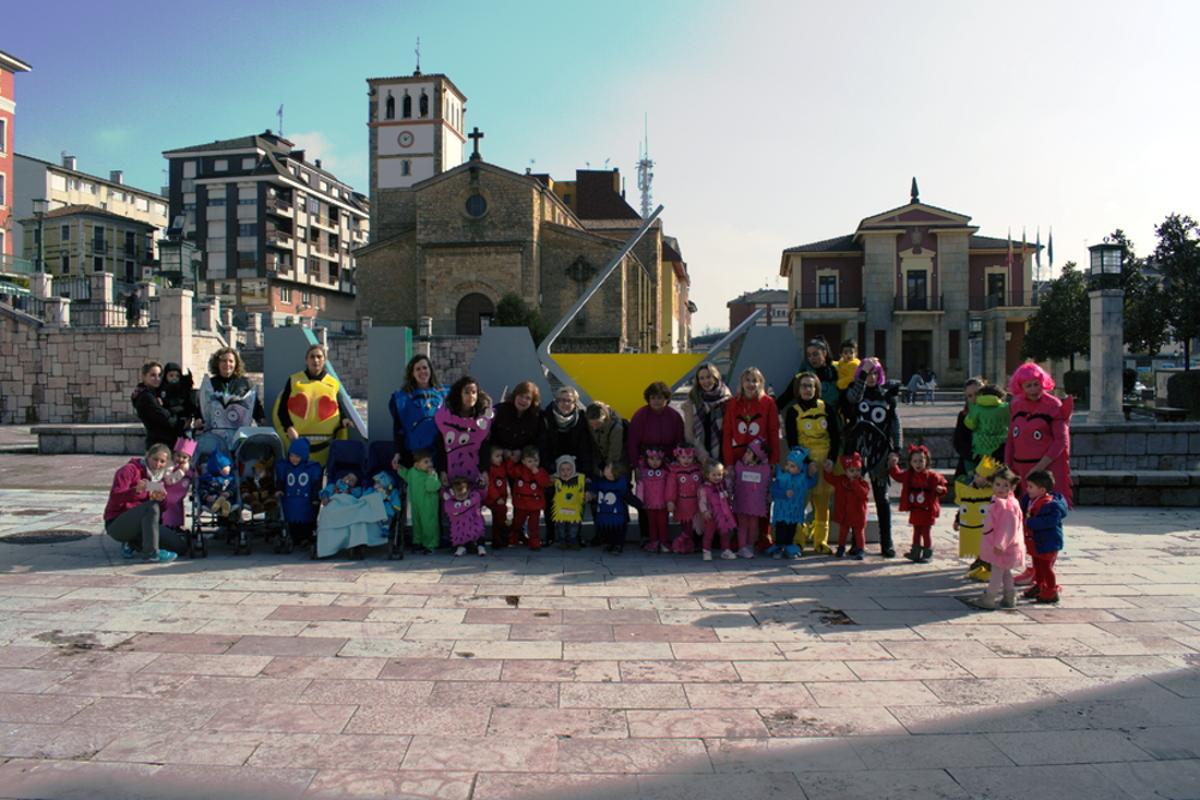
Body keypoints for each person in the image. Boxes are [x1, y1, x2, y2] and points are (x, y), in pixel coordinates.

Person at [842, 357, 901, 557]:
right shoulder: (855, 391)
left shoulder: (887, 396)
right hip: (858, 450)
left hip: (879, 451)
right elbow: (853, 399)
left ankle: (887, 542)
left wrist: (896, 450)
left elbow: (895, 424)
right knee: (855, 497)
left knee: (882, 497)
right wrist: (862, 375)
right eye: (869, 373)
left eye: (875, 373)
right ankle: (856, 542)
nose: (872, 377)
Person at [723, 367, 780, 551]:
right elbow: (727, 433)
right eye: (747, 380)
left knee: (761, 499)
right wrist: (729, 462)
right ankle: (739, 538)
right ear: (741, 382)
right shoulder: (733, 403)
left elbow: (773, 432)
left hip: (760, 461)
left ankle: (762, 535)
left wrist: (773, 460)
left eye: (755, 381)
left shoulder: (768, 403)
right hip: (739, 459)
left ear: (760, 383)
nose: (751, 384)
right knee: (739, 499)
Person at [784, 371, 839, 555]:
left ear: (816, 388)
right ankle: (798, 541)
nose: (807, 389)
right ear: (798, 389)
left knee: (823, 504)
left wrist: (831, 459)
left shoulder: (826, 408)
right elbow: (792, 441)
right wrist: (806, 462)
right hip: (802, 465)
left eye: (810, 386)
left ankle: (820, 541)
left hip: (825, 463)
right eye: (803, 386)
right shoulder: (793, 412)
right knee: (799, 503)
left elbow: (836, 436)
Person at [273, 344, 354, 467]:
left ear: (324, 360)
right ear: (306, 360)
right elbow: (282, 408)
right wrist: (289, 427)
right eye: (312, 357)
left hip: (326, 446)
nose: (315, 360)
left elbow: (336, 407)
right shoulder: (294, 380)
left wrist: (344, 419)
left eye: (319, 357)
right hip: (298, 445)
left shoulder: (333, 383)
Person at [1005, 362, 1074, 507]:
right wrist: (1008, 466)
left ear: (1043, 383)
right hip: (1020, 469)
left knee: (1046, 509)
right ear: (1021, 387)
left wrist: (1040, 467)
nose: (1033, 389)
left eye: (1036, 384)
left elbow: (1061, 441)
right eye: (1028, 386)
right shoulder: (1016, 404)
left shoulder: (1053, 405)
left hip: (1045, 470)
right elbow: (1011, 439)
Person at [104, 443, 185, 562]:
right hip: (117, 522)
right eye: (155, 459)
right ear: (148, 456)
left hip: (143, 525)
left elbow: (161, 510)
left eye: (162, 461)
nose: (158, 464)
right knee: (151, 507)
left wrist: (162, 499)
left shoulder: (159, 478)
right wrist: (135, 491)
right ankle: (151, 553)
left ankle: (134, 543)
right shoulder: (129, 470)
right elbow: (115, 497)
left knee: (180, 547)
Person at [968, 466, 1025, 610]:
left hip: (1002, 547)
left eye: (1006, 485)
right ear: (992, 484)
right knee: (1005, 571)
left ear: (1012, 487)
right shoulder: (1001, 502)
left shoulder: (1007, 507)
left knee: (996, 573)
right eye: (998, 484)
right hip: (1004, 545)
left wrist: (1001, 544)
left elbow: (1007, 528)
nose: (1001, 488)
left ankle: (989, 597)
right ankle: (1009, 596)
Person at [890, 444, 948, 563]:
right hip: (915, 509)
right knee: (916, 531)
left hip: (927, 510)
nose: (918, 464)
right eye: (915, 461)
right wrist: (893, 465)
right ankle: (915, 552)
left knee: (926, 532)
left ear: (926, 461)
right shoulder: (909, 475)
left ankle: (927, 553)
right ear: (910, 462)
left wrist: (941, 490)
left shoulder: (932, 476)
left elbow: (943, 486)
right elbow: (897, 476)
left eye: (921, 461)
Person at [199, 347, 264, 453]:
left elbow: (255, 405)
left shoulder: (245, 383)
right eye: (223, 361)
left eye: (231, 361)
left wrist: (261, 420)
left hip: (239, 435)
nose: (227, 364)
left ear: (236, 364)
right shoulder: (210, 384)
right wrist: (198, 419)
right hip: (215, 435)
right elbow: (202, 405)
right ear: (217, 363)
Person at [389, 355, 448, 470]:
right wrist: (397, 452)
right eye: (418, 369)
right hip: (414, 455)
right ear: (412, 373)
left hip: (438, 453)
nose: (422, 371)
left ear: (430, 370)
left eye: (425, 368)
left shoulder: (444, 394)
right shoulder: (402, 398)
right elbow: (398, 428)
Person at [435, 375, 493, 486]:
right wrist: (442, 470)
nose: (471, 396)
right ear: (459, 394)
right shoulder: (447, 417)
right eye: (467, 392)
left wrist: (484, 470)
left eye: (474, 392)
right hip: (451, 472)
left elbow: (484, 447)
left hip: (474, 472)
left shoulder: (482, 420)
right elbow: (441, 446)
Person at [1022, 470, 1067, 604]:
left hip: (1048, 542)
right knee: (1037, 564)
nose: (1027, 489)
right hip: (1037, 541)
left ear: (1042, 490)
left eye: (1031, 487)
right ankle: (1040, 585)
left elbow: (1048, 522)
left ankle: (1051, 590)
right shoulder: (1033, 500)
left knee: (1046, 567)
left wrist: (1029, 522)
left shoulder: (1051, 505)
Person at [767, 445, 819, 559]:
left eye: (792, 466)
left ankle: (788, 546)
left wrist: (813, 474)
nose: (788, 468)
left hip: (794, 512)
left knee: (791, 530)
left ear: (800, 468)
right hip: (782, 511)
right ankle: (779, 546)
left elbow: (812, 483)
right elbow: (774, 490)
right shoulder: (782, 476)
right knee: (781, 529)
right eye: (787, 464)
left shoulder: (803, 479)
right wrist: (784, 493)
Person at [954, 455, 1000, 582]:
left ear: (989, 481)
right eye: (976, 475)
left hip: (989, 527)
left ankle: (988, 566)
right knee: (977, 543)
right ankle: (980, 561)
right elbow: (965, 506)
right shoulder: (969, 489)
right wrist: (958, 520)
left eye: (980, 476)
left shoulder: (994, 493)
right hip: (974, 525)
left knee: (988, 546)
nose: (976, 478)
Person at [275, 437, 323, 553]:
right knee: (291, 521)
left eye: (297, 456)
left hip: (306, 501)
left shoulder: (311, 468)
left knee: (307, 521)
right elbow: (281, 480)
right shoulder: (286, 467)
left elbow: (315, 484)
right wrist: (279, 490)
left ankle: (306, 538)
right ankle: (293, 538)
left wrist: (315, 497)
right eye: (291, 456)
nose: (294, 459)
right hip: (290, 501)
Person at [681, 362, 732, 466]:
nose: (705, 381)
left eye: (708, 377)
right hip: (700, 455)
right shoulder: (692, 400)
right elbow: (689, 435)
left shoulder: (727, 398)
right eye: (701, 378)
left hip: (723, 452)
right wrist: (703, 454)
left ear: (715, 377)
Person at [823, 452, 871, 560]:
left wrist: (855, 483)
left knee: (859, 533)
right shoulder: (841, 481)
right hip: (845, 514)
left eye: (858, 470)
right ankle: (841, 547)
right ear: (846, 471)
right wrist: (827, 471)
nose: (855, 473)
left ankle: (861, 549)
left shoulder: (863, 483)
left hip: (858, 514)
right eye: (852, 471)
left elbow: (863, 494)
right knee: (843, 532)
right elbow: (830, 479)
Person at [627, 382, 686, 468]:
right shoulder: (640, 416)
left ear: (666, 398)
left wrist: (677, 463)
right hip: (646, 462)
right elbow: (633, 443)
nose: (656, 401)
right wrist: (636, 465)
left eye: (659, 398)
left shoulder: (674, 416)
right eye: (653, 398)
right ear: (648, 399)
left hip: (669, 461)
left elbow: (679, 441)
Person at [777, 337, 839, 412]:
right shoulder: (804, 374)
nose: (812, 358)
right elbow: (786, 396)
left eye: (815, 354)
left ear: (824, 353)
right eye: (809, 355)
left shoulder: (836, 369)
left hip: (834, 415)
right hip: (812, 416)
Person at [398, 450, 442, 554]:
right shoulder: (413, 472)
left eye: (430, 461)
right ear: (417, 465)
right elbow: (407, 475)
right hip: (416, 503)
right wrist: (399, 468)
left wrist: (431, 475)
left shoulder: (432, 474)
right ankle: (418, 542)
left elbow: (432, 487)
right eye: (426, 462)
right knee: (417, 523)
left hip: (428, 504)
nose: (430, 464)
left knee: (429, 524)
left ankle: (430, 545)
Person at [509, 445, 550, 550]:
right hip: (521, 503)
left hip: (535, 505)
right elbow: (510, 472)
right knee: (517, 523)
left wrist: (537, 474)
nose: (533, 464)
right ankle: (513, 538)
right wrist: (511, 460)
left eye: (536, 461)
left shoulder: (541, 471)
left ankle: (534, 542)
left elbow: (545, 483)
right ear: (523, 461)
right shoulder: (519, 470)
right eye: (530, 461)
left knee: (534, 526)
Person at [490, 381, 543, 463]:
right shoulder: (499, 410)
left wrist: (522, 452)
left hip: (523, 462)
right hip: (497, 460)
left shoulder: (537, 417)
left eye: (528, 398)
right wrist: (501, 450)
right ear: (515, 395)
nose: (523, 400)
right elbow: (489, 436)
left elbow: (536, 442)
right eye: (521, 396)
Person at [132, 361, 178, 450]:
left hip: (162, 441)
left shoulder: (155, 394)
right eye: (153, 375)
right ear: (144, 376)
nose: (157, 378)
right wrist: (181, 422)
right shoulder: (146, 397)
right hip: (159, 444)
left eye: (159, 375)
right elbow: (165, 419)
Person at [666, 445, 702, 554]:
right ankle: (684, 544)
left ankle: (695, 543)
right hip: (683, 504)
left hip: (697, 503)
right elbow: (671, 488)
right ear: (677, 457)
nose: (686, 460)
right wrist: (670, 501)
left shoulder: (698, 469)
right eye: (683, 457)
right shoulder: (675, 472)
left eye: (690, 457)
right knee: (686, 525)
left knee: (697, 525)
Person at [697, 461, 736, 561]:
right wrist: (705, 511)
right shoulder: (704, 488)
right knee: (709, 533)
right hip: (711, 515)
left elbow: (727, 497)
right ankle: (706, 551)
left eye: (719, 474)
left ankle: (726, 550)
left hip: (723, 514)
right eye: (714, 475)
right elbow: (702, 501)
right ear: (707, 475)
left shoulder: (722, 486)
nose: (717, 477)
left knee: (725, 533)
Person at [635, 447, 670, 553]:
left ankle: (663, 542)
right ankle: (654, 542)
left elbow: (670, 487)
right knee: (652, 524)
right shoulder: (643, 472)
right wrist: (639, 501)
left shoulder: (666, 472)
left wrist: (670, 500)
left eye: (658, 459)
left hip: (662, 504)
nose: (655, 462)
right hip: (649, 504)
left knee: (663, 524)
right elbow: (640, 487)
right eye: (651, 459)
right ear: (646, 459)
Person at [951, 377, 985, 483]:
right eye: (970, 396)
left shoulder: (997, 413)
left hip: (991, 463)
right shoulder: (963, 415)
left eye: (977, 394)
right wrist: (974, 456)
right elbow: (958, 442)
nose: (974, 398)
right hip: (969, 464)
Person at [965, 384, 1010, 464]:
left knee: (982, 470)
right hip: (1001, 445)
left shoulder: (977, 408)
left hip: (981, 446)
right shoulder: (1005, 408)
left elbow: (971, 425)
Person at [588, 472, 631, 554]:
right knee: (607, 526)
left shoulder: (621, 481)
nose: (610, 472)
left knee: (619, 527)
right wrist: (590, 494)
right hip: (605, 510)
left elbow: (628, 496)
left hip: (619, 511)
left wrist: (639, 504)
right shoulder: (599, 481)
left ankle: (618, 544)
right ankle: (610, 543)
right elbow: (593, 490)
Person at [585, 401, 629, 481]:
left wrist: (608, 467)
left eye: (597, 424)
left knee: (611, 473)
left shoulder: (616, 428)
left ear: (604, 417)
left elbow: (614, 453)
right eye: (591, 424)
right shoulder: (589, 422)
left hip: (617, 460)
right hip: (599, 458)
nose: (594, 427)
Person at [161, 437, 196, 535]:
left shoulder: (189, 469)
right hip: (168, 493)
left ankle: (177, 525)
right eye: (178, 455)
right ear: (174, 455)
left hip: (179, 496)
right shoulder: (170, 467)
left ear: (189, 459)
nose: (180, 459)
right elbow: (169, 480)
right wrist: (181, 471)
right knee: (169, 510)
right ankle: (168, 525)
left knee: (179, 510)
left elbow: (194, 476)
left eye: (184, 457)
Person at [551, 454, 587, 549]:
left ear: (573, 469)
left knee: (574, 526)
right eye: (562, 470)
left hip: (574, 508)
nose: (565, 472)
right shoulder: (555, 479)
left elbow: (585, 490)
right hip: (560, 509)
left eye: (568, 469)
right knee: (561, 526)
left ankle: (573, 540)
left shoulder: (580, 479)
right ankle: (562, 541)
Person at [444, 477, 486, 557]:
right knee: (460, 536)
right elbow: (448, 508)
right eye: (459, 495)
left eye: (463, 495)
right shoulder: (450, 501)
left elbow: (478, 497)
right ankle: (461, 547)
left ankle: (480, 546)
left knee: (479, 535)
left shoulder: (474, 496)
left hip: (473, 524)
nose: (461, 498)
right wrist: (466, 504)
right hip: (460, 528)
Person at [159, 362, 200, 438]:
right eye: (171, 375)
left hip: (184, 426)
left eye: (177, 376)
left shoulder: (184, 390)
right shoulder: (161, 390)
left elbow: (191, 406)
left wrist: (191, 418)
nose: (174, 378)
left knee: (186, 444)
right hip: (167, 428)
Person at [483, 444, 511, 549]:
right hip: (493, 499)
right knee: (498, 517)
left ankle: (501, 538)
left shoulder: (502, 466)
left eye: (501, 456)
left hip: (501, 498)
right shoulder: (490, 469)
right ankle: (497, 540)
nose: (500, 458)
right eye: (497, 456)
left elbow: (510, 469)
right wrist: (497, 497)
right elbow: (490, 485)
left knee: (501, 517)